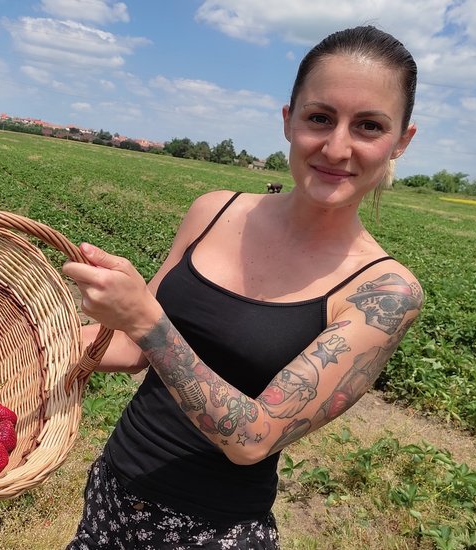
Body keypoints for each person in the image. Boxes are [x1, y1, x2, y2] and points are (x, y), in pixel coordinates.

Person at [61, 25, 424, 549]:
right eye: (319, 118)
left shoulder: (384, 293)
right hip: (113, 488)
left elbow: (255, 438)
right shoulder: (214, 211)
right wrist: (20, 341)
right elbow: (131, 348)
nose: (337, 146)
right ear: (288, 121)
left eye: (368, 126)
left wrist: (144, 317)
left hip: (211, 532)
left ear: (401, 142)